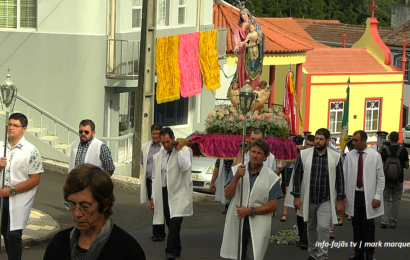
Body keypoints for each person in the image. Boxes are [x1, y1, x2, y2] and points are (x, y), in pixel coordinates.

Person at [43, 164, 146, 259]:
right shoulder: (59, 243)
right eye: (72, 205)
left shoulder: (128, 251)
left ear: (104, 205)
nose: (77, 214)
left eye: (85, 207)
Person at [220, 139, 282, 260]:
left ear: (265, 157)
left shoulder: (271, 178)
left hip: (258, 221)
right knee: (236, 253)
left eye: (259, 153)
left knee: (254, 254)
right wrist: (237, 177)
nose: (255, 155)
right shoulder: (236, 170)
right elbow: (227, 195)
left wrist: (251, 211)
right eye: (253, 151)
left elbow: (273, 206)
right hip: (237, 218)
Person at [292, 128, 345, 260]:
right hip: (309, 198)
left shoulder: (335, 156)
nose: (317, 141)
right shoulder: (304, 155)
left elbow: (340, 179)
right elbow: (297, 176)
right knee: (310, 226)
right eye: (316, 138)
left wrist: (340, 201)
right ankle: (313, 254)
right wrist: (296, 196)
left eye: (321, 139)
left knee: (323, 227)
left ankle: (322, 256)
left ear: (327, 141)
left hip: (326, 198)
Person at [0, 113, 43, 260]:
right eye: (9, 124)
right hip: (2, 196)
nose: (11, 128)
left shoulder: (31, 150)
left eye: (15, 125)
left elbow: (35, 179)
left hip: (19, 197)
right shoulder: (0, 146)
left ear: (24, 129)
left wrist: (11, 190)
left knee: (14, 234)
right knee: (4, 232)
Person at [150, 127, 193, 260]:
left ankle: (169, 251)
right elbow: (155, 176)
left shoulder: (186, 151)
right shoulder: (159, 156)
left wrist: (179, 150)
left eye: (168, 142)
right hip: (164, 192)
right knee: (170, 221)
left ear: (173, 139)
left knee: (175, 221)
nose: (166, 145)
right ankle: (176, 248)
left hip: (179, 192)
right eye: (163, 143)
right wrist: (153, 197)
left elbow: (186, 167)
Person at [344, 130, 384, 260]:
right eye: (352, 140)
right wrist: (343, 196)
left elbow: (380, 178)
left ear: (363, 141)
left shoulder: (375, 156)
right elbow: (344, 177)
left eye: (356, 140)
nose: (353, 142)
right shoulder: (350, 156)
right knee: (356, 225)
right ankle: (358, 252)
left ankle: (369, 253)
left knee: (368, 226)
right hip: (354, 195)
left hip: (368, 195)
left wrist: (378, 196)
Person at [284, 134, 315, 250]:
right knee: (300, 213)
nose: (309, 146)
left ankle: (305, 239)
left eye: (311, 145)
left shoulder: (316, 156)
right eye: (307, 144)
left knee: (309, 215)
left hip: (312, 189)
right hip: (300, 188)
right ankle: (301, 236)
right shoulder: (301, 155)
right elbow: (296, 174)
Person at [227, 8, 265, 99]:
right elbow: (236, 36)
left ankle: (253, 89)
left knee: (252, 70)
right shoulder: (239, 26)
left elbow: (261, 35)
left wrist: (257, 39)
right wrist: (237, 45)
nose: (243, 16)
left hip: (252, 50)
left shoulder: (254, 24)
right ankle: (242, 89)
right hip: (243, 50)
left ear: (248, 14)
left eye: (244, 14)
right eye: (241, 14)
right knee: (242, 70)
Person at [140, 123, 165, 241]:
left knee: (162, 204)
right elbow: (143, 161)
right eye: (153, 133)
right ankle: (158, 233)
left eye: (157, 134)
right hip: (150, 180)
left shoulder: (164, 147)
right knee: (154, 205)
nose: (155, 136)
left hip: (162, 180)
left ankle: (160, 233)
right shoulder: (145, 147)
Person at [380, 131, 409, 229]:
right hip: (399, 179)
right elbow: (406, 166)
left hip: (386, 178)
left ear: (390, 139)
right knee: (396, 200)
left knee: (385, 199)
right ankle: (393, 222)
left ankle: (384, 221)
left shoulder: (385, 150)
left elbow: (380, 164)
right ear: (398, 139)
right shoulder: (403, 150)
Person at [280, 134, 304, 222]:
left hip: (301, 173)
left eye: (299, 144)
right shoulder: (291, 150)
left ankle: (300, 214)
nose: (297, 146)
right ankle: (284, 214)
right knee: (288, 191)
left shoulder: (304, 151)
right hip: (290, 171)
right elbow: (286, 164)